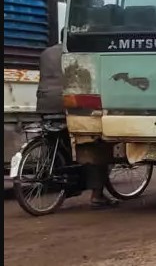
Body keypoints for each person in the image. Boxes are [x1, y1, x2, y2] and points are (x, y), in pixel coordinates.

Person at [40, 32, 116, 209]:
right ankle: (97, 195)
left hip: (45, 103)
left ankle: (65, 181)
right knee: (94, 143)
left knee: (56, 142)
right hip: (68, 102)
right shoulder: (79, 52)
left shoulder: (46, 53)